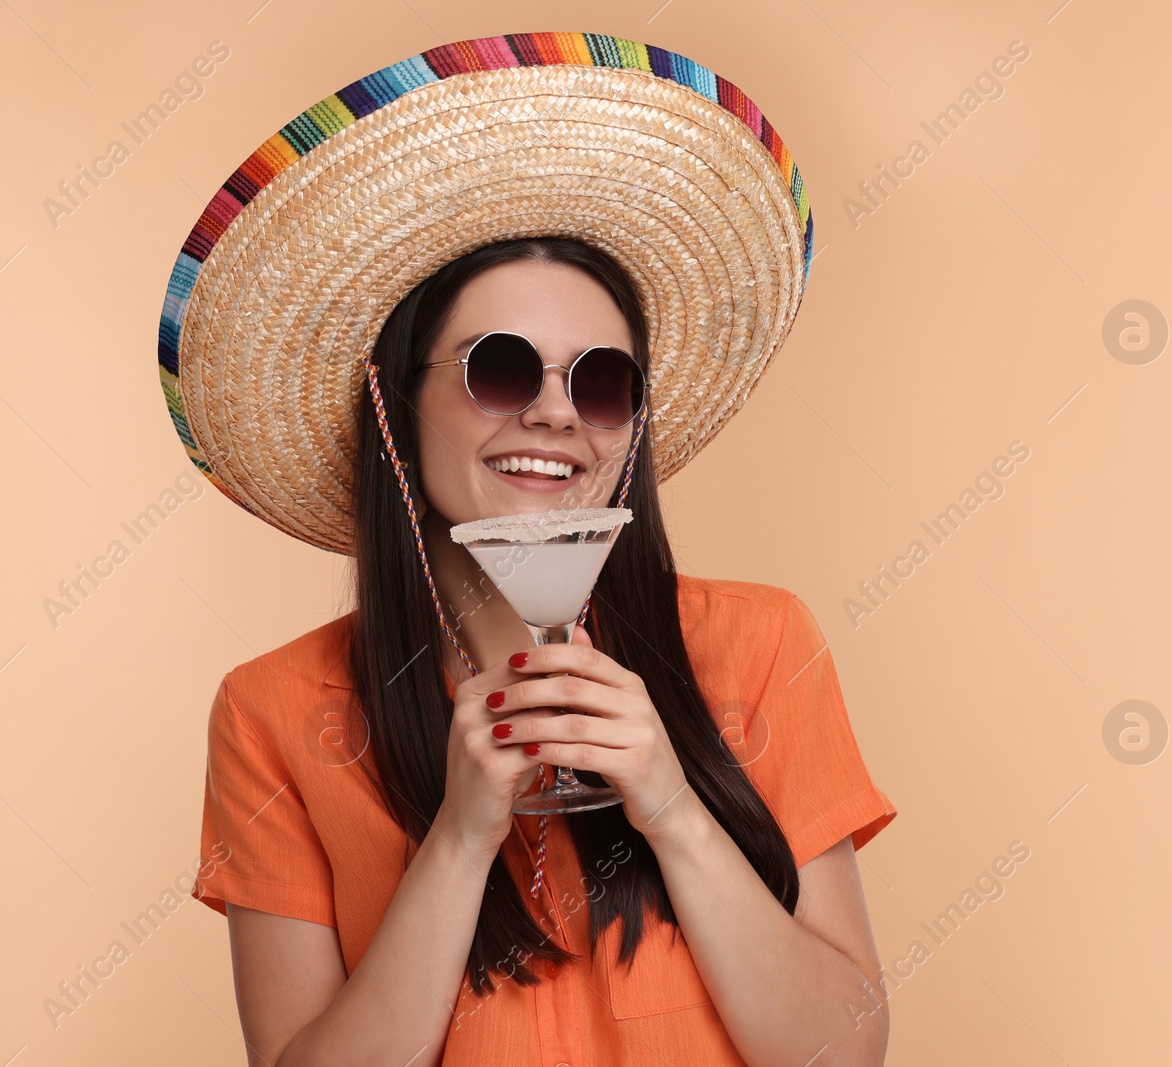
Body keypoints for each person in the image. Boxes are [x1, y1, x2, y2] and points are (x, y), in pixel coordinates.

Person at [158, 32, 897, 1067]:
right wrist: (460, 837)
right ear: (394, 404)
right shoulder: (277, 710)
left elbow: (841, 1051)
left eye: (598, 382)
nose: (555, 416)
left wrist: (673, 805)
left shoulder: (761, 644)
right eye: (502, 369)